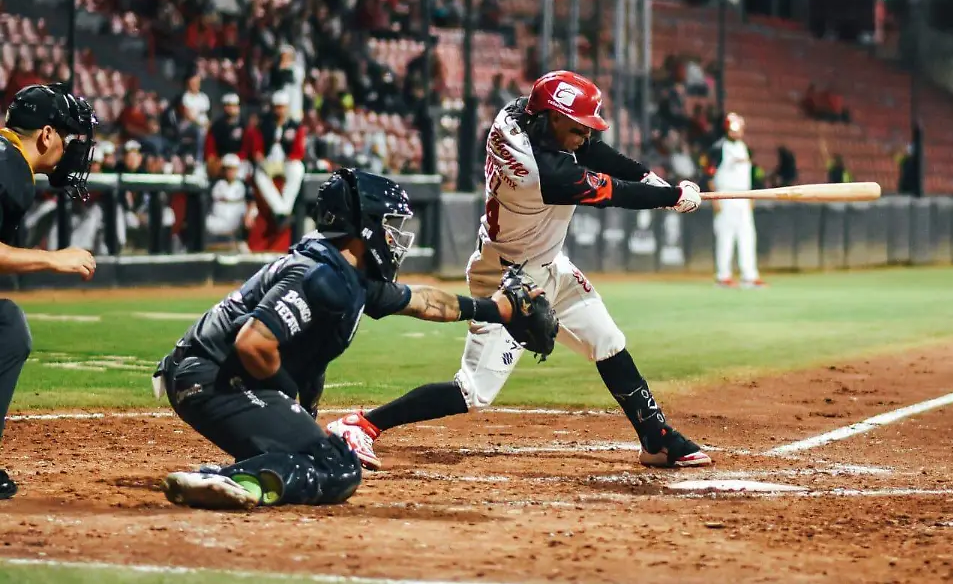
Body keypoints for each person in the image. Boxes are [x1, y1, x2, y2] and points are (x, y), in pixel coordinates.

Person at [326, 70, 712, 471]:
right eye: (578, 127)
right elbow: (614, 193)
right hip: (509, 283)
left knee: (607, 340)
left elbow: (593, 152)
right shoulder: (543, 174)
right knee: (473, 392)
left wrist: (650, 178)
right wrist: (670, 196)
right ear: (554, 119)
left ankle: (656, 438)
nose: (585, 135)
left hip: (546, 264)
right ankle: (360, 425)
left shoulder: (517, 116)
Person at [155, 168, 544, 510]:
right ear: (364, 225)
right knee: (338, 465)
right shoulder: (323, 277)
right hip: (213, 378)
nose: (395, 237)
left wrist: (497, 310)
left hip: (218, 378)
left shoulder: (352, 276)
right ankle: (228, 480)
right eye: (388, 225)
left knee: (321, 457)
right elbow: (253, 344)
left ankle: (242, 476)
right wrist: (287, 392)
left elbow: (425, 302)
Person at [0, 83, 99, 499]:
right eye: (67, 136)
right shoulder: (12, 172)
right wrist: (51, 258)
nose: (72, 149)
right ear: (45, 135)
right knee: (9, 327)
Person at [706, 113, 762, 288]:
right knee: (726, 237)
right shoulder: (719, 148)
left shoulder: (744, 147)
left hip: (743, 196)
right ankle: (723, 276)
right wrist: (714, 197)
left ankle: (749, 276)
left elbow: (747, 175)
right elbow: (709, 174)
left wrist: (751, 195)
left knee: (747, 236)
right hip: (726, 195)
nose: (737, 132)